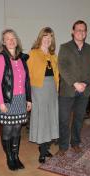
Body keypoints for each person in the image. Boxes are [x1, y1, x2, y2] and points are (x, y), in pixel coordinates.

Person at [57, 20, 90, 156]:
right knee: (64, 119)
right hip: (67, 90)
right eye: (78, 30)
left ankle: (75, 143)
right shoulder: (65, 47)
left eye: (83, 30)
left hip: (84, 91)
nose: (81, 32)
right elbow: (62, 67)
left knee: (79, 119)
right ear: (73, 32)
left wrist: (85, 83)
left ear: (86, 33)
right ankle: (63, 146)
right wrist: (74, 83)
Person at [0, 29, 32, 171]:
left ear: (17, 40)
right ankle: (9, 157)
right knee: (8, 130)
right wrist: (1, 103)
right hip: (8, 100)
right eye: (7, 38)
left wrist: (29, 99)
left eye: (13, 37)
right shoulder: (1, 58)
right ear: (3, 42)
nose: (11, 40)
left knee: (17, 129)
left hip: (21, 99)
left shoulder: (22, 58)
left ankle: (16, 156)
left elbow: (27, 81)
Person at [27, 27, 59, 163]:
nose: (47, 39)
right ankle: (42, 149)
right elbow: (27, 75)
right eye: (45, 36)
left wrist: (57, 89)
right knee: (42, 118)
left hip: (52, 89)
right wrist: (28, 95)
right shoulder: (33, 53)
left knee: (51, 118)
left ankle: (45, 148)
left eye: (50, 37)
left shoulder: (53, 56)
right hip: (38, 89)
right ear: (41, 38)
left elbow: (57, 75)